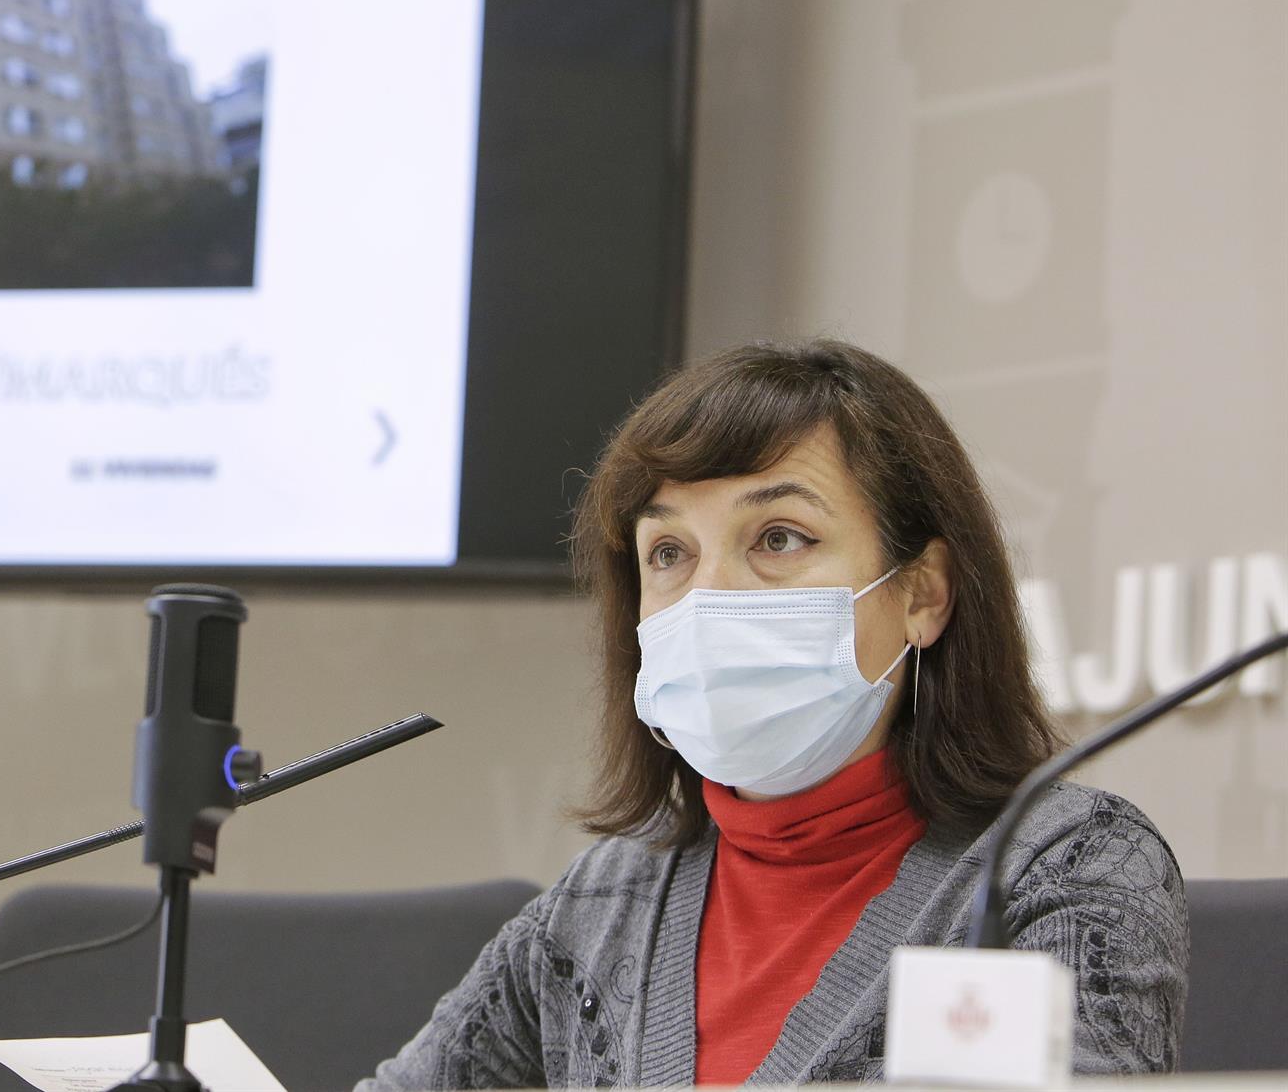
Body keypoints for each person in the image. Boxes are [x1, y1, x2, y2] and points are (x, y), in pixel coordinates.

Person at [362, 339, 1187, 1087]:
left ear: (923, 594)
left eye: (779, 538)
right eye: (670, 553)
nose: (709, 595)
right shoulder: (601, 901)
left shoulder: (1069, 867)